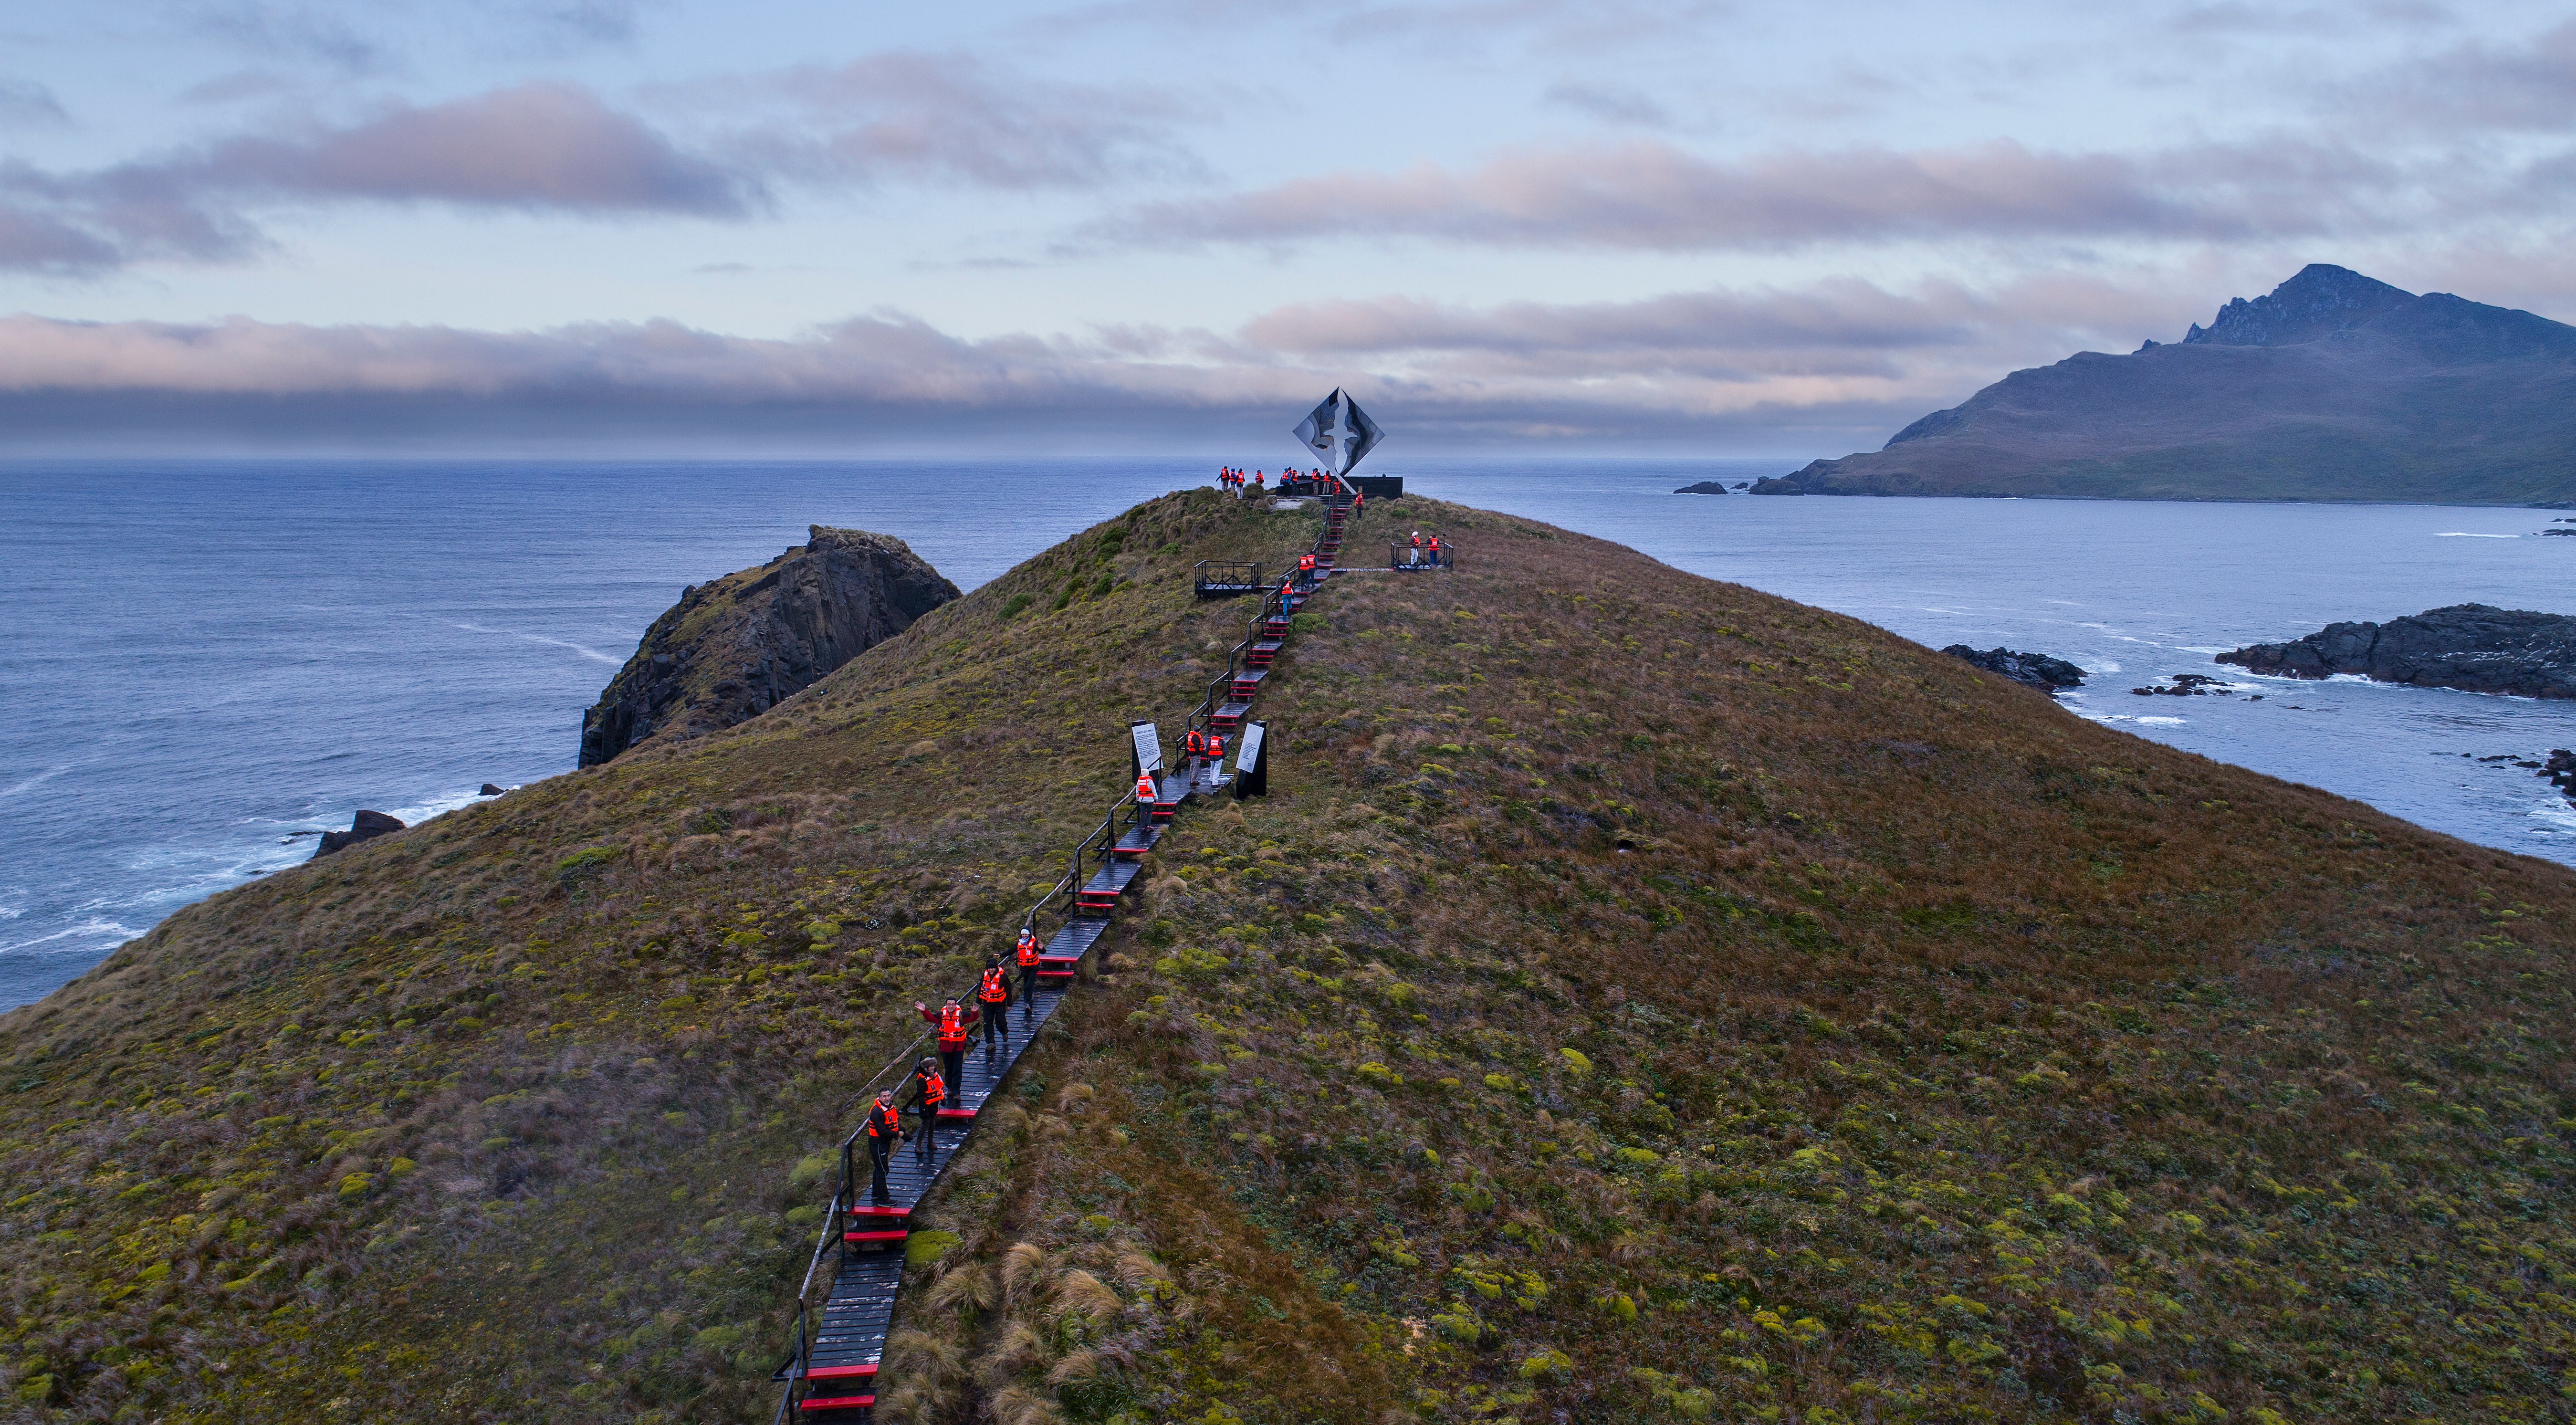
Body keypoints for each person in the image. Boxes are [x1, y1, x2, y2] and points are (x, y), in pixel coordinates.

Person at [916, 996, 977, 1094]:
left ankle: (956, 1092)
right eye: (949, 1004)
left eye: (953, 1004)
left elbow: (972, 1018)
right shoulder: (941, 1015)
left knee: (957, 1069)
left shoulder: (961, 1015)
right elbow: (931, 1018)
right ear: (946, 1005)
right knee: (948, 1068)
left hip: (959, 1046)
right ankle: (950, 1087)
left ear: (956, 1005)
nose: (951, 1006)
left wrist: (974, 1012)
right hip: (945, 1047)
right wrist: (924, 1011)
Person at [863, 1087, 903, 1204]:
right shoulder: (876, 1111)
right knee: (882, 1170)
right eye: (884, 1096)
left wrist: (901, 1131)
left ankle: (876, 1194)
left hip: (885, 1142)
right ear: (879, 1098)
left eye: (888, 1096)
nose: (887, 1098)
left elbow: (894, 1123)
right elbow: (881, 1131)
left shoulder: (890, 1107)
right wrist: (897, 1134)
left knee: (879, 1168)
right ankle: (883, 1199)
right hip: (877, 1143)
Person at [902, 1056, 945, 1163]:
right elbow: (921, 1096)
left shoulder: (936, 1076)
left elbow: (940, 1088)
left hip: (935, 1104)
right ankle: (918, 1145)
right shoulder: (921, 1079)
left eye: (933, 1066)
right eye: (931, 1066)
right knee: (925, 1125)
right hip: (926, 1106)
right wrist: (924, 1108)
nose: (933, 1068)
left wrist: (943, 1099)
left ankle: (930, 1142)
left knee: (932, 1124)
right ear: (926, 1068)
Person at [977, 957, 1012, 1054]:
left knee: (1000, 1020)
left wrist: (1009, 1004)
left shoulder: (1003, 976)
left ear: (996, 968)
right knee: (987, 1023)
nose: (991, 970)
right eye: (989, 968)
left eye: (992, 968)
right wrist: (978, 1002)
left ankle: (1004, 1031)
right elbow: (980, 988)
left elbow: (1009, 990)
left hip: (1000, 1003)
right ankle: (991, 1042)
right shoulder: (984, 976)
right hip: (988, 1003)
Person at [1015, 925, 1044, 1011]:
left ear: (1029, 935)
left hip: (1034, 967)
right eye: (1023, 934)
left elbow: (1043, 951)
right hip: (1024, 967)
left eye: (1026, 934)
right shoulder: (1019, 943)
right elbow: (1011, 950)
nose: (1024, 936)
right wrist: (1001, 955)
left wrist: (1042, 949)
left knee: (1029, 985)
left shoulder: (1035, 943)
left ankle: (1028, 1003)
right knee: (1026, 984)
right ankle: (1028, 1001)